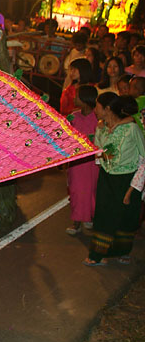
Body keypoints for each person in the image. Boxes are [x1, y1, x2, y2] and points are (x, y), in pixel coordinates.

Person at [86, 95, 145, 266]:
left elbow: (144, 155)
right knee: (104, 215)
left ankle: (123, 251)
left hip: (127, 179)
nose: (95, 110)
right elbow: (98, 153)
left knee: (125, 217)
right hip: (107, 177)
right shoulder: (101, 128)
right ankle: (97, 254)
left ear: (108, 109)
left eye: (97, 107)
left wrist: (134, 187)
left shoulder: (132, 129)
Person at [66, 85, 99, 235]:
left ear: (85, 100)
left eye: (77, 95)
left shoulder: (98, 118)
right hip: (77, 162)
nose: (74, 98)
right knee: (77, 190)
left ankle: (88, 217)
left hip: (93, 162)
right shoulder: (74, 117)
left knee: (91, 190)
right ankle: (77, 221)